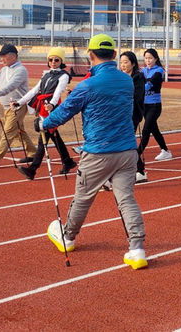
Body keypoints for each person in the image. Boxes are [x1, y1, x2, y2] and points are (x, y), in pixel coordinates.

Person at [41, 34, 148, 269]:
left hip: (98, 151)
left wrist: (45, 123)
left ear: (90, 55)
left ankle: (68, 236)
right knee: (126, 199)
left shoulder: (87, 85)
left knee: (83, 197)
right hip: (127, 150)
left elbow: (64, 112)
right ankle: (137, 249)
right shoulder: (126, 81)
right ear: (113, 54)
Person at [14, 48, 76, 180]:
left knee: (44, 137)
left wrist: (52, 105)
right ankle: (68, 161)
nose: (53, 62)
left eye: (56, 60)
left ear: (61, 61)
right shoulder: (46, 75)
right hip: (42, 108)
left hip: (52, 109)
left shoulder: (64, 76)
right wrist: (19, 103)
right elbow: (35, 90)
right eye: (50, 59)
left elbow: (58, 92)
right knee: (53, 136)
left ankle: (32, 169)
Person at [138, 48, 172, 164]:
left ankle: (137, 153)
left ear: (155, 59)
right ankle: (166, 150)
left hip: (154, 105)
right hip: (144, 105)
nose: (148, 60)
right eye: (146, 58)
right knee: (154, 130)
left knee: (146, 129)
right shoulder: (142, 71)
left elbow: (150, 84)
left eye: (150, 58)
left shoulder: (159, 71)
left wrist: (139, 87)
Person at [119, 51, 147, 182]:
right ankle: (139, 170)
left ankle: (139, 170)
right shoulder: (120, 77)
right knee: (126, 143)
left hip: (132, 115)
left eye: (126, 62)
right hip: (120, 114)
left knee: (126, 143)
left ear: (133, 63)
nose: (123, 65)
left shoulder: (138, 78)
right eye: (121, 62)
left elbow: (136, 96)